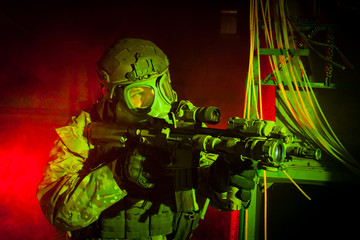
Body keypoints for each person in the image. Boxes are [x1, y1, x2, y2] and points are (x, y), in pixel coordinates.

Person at [37, 38, 256, 240]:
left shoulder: (182, 126)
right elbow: (58, 213)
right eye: (139, 94)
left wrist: (224, 181)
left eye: (163, 87)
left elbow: (224, 199)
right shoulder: (83, 131)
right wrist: (118, 173)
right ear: (112, 95)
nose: (160, 105)